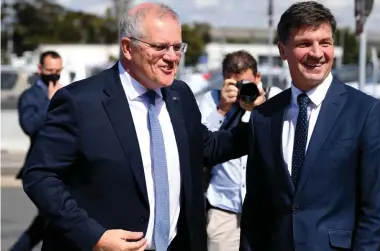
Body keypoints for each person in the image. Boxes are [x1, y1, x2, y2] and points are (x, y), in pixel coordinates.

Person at [21, 3, 263, 251]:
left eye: (177, 47)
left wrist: (263, 122)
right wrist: (93, 236)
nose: (172, 57)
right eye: (159, 47)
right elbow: (40, 176)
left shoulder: (179, 95)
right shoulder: (81, 102)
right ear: (127, 47)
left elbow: (207, 147)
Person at [240, 1, 380, 251]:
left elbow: (376, 212)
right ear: (283, 50)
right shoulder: (264, 117)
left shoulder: (366, 113)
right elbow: (255, 208)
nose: (317, 53)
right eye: (304, 44)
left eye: (325, 42)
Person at [198, 50, 262, 251]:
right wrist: (222, 109)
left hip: (261, 208)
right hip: (222, 207)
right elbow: (200, 146)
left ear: (257, 78)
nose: (241, 90)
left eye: (246, 83)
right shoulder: (211, 100)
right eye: (234, 84)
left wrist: (257, 109)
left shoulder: (272, 98)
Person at [10, 51, 63, 251]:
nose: (54, 75)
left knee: (48, 221)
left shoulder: (64, 92)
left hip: (62, 168)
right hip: (39, 168)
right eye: (50, 71)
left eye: (58, 71)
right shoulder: (29, 96)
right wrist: (51, 102)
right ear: (40, 69)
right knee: (53, 219)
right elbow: (30, 126)